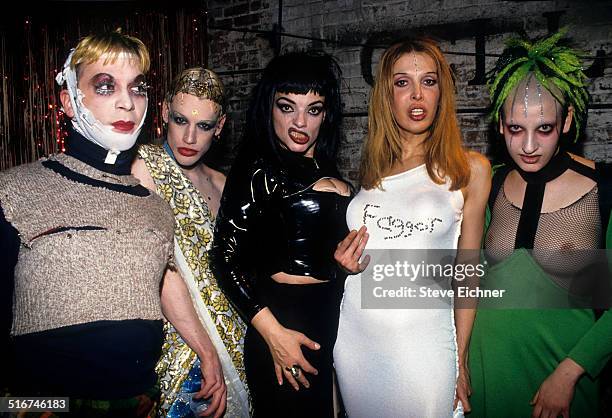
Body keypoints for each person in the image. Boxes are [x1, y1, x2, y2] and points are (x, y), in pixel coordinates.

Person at [0, 29, 226, 418]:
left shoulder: (155, 207)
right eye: (105, 87)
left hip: (137, 403)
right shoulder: (16, 190)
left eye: (137, 88)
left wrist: (207, 353)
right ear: (69, 100)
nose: (127, 103)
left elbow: (169, 281)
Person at [333, 36, 490, 417]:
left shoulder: (469, 171)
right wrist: (339, 262)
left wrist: (462, 359)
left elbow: (467, 276)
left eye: (429, 82)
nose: (417, 95)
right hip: (355, 343)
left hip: (423, 348)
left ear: (441, 93)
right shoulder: (371, 171)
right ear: (387, 95)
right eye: (402, 83)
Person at [468, 29, 612, 418]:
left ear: (566, 122)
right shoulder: (492, 183)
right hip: (485, 380)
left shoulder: (604, 189)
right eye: (516, 129)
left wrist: (570, 373)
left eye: (543, 129)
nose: (528, 146)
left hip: (560, 390)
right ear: (500, 125)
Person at [210, 51, 351, 418]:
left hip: (332, 323)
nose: (300, 122)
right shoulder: (259, 168)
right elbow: (223, 258)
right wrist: (274, 336)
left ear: (327, 114)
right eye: (287, 107)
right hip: (286, 325)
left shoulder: (324, 165)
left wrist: (346, 264)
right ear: (269, 108)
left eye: (314, 109)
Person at [132, 67, 250, 417]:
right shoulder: (145, 168)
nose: (189, 136)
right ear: (166, 112)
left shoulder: (223, 184)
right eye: (180, 119)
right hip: (180, 345)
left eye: (204, 126)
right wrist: (206, 350)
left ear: (221, 126)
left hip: (236, 338)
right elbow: (162, 269)